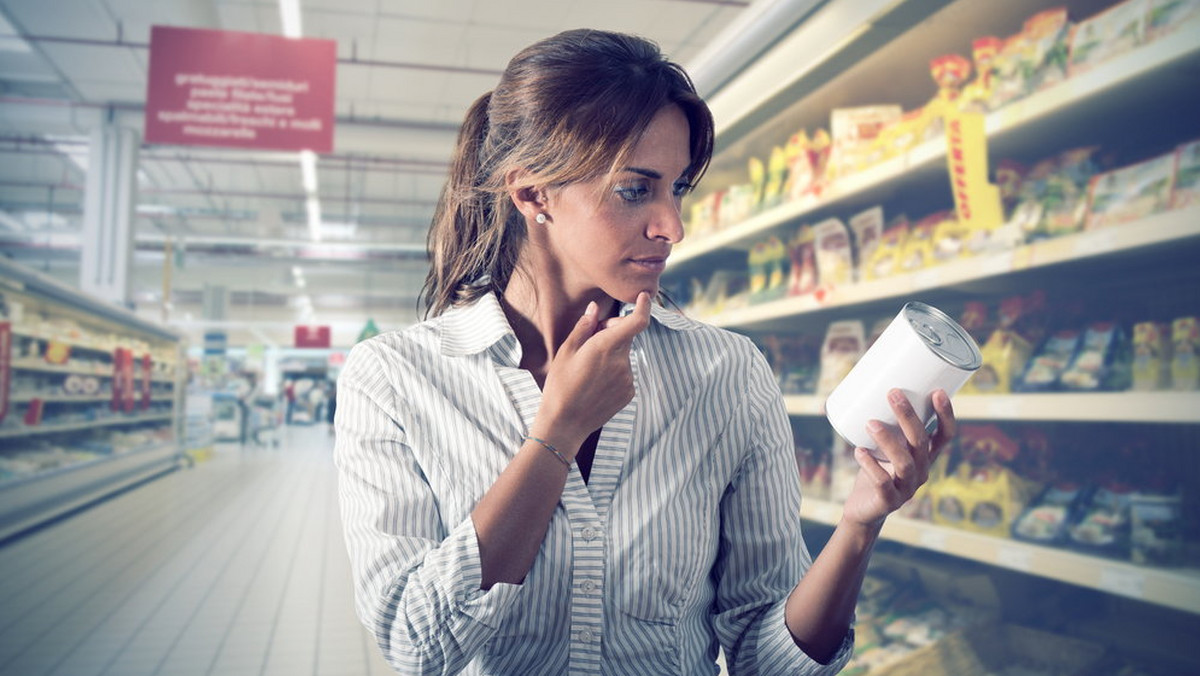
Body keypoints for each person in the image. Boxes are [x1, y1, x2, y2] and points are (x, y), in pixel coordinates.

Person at [334, 29, 956, 675]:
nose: (673, 226)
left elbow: (764, 659)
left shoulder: (726, 373)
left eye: (678, 188)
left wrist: (859, 525)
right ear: (532, 193)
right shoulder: (396, 378)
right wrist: (556, 436)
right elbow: (415, 644)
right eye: (637, 189)